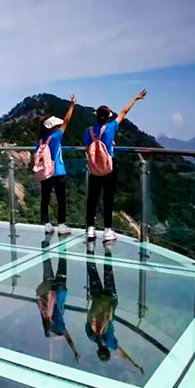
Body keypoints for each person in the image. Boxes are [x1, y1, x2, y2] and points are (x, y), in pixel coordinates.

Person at [84, 90, 147, 240]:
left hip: (94, 168)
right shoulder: (111, 127)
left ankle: (90, 229)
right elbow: (124, 111)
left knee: (92, 198)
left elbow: (87, 149)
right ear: (107, 117)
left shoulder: (89, 131)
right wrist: (135, 98)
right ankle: (107, 231)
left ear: (96, 117)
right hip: (109, 167)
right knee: (108, 198)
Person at [85, 245, 144, 373]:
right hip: (96, 297)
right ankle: (90, 247)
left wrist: (134, 364)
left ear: (108, 352)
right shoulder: (90, 335)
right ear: (98, 351)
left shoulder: (110, 342)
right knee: (92, 270)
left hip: (110, 300)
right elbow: (87, 320)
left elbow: (122, 353)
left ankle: (108, 248)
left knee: (108, 271)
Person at [36, 94, 76, 234]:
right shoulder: (56, 136)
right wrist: (72, 106)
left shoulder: (41, 140)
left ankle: (47, 224)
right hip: (58, 171)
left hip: (45, 173)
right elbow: (67, 120)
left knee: (45, 198)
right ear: (53, 126)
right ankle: (62, 225)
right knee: (61, 199)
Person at [36, 237, 80, 362]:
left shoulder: (60, 327)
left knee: (62, 263)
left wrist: (74, 351)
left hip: (60, 291)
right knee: (47, 266)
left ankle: (63, 244)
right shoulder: (45, 317)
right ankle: (45, 246)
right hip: (49, 290)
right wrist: (74, 351)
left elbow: (68, 337)